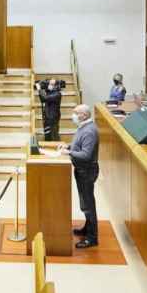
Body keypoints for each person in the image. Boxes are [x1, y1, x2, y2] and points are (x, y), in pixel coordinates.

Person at [59, 104, 100, 249]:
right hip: (81, 170)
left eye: (75, 113)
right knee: (85, 203)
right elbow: (79, 145)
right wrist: (69, 147)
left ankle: (92, 238)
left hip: (87, 171)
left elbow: (86, 155)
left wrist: (69, 153)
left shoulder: (89, 131)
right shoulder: (84, 127)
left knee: (88, 205)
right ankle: (87, 229)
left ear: (84, 115)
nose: (73, 116)